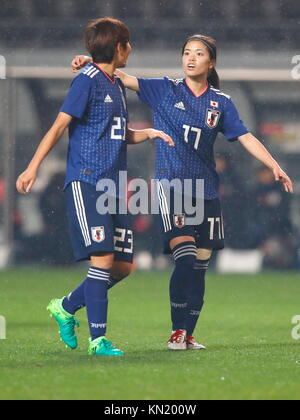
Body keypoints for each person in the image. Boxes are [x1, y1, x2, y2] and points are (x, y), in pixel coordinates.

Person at [72, 34, 293, 351]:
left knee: (201, 265)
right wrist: (88, 62)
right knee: (186, 258)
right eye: (186, 53)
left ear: (211, 62)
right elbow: (118, 74)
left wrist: (273, 164)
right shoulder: (164, 89)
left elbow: (245, 137)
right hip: (171, 186)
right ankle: (176, 332)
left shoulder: (221, 103)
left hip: (206, 190)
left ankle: (188, 334)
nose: (190, 58)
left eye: (198, 53)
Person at [16, 17, 174, 357]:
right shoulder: (86, 81)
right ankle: (98, 340)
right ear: (119, 47)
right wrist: (32, 167)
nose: (131, 48)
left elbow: (119, 133)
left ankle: (66, 306)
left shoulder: (115, 83)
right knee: (102, 258)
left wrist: (149, 134)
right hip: (87, 180)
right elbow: (59, 127)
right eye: (128, 43)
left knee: (123, 266)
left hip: (114, 187)